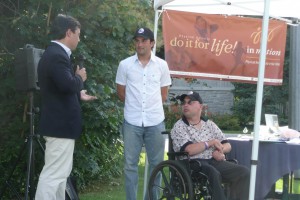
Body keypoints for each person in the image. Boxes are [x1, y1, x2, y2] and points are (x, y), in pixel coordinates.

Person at [35, 14, 97, 200]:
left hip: (60, 127)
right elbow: (68, 84)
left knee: (60, 175)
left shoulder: (56, 54)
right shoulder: (56, 55)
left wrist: (78, 93)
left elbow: (60, 87)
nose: (79, 38)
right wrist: (79, 78)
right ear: (68, 32)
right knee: (53, 175)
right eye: (78, 34)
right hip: (59, 126)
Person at [116, 27, 172, 200]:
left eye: (143, 40)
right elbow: (121, 93)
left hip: (155, 121)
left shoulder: (162, 65)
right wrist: (135, 107)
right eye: (137, 40)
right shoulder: (124, 65)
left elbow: (163, 95)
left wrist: (148, 108)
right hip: (132, 121)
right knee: (130, 165)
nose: (139, 44)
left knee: (156, 165)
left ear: (152, 43)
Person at [171, 91, 250, 200]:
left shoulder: (209, 124)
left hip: (212, 161)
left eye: (190, 102)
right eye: (184, 103)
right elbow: (189, 150)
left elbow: (227, 144)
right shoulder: (179, 126)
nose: (185, 105)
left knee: (243, 172)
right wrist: (210, 143)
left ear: (200, 106)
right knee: (213, 173)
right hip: (191, 163)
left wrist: (220, 150)